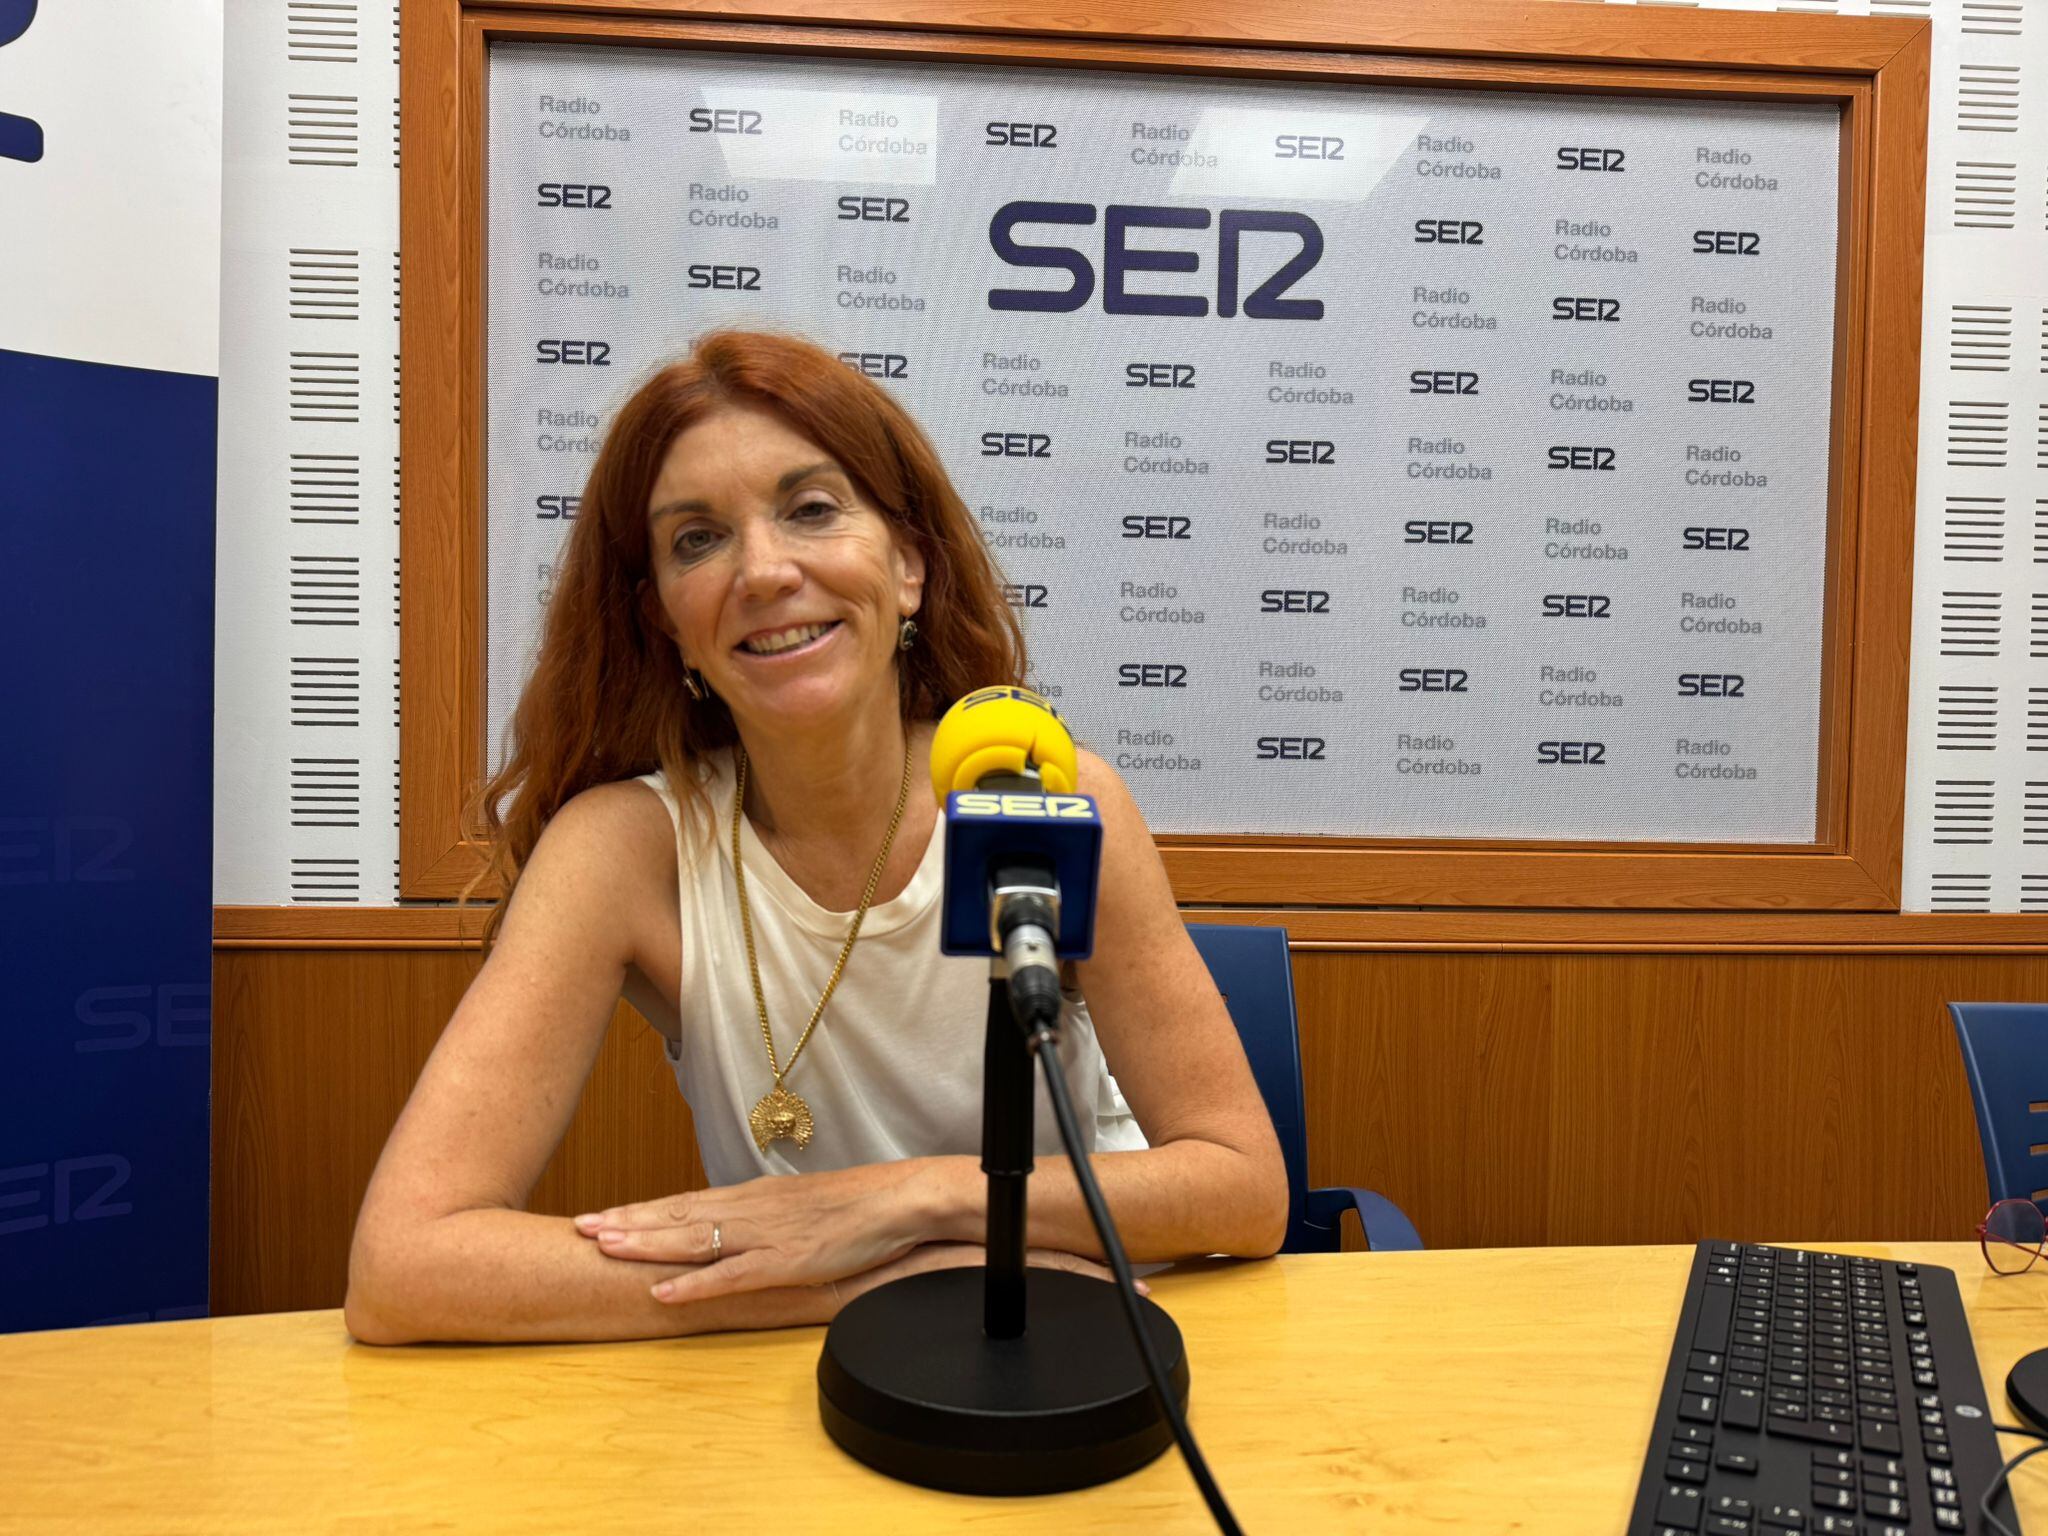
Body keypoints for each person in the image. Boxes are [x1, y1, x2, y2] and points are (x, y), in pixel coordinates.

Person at [343, 330, 1288, 1345]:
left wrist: (900, 1204)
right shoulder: (622, 849)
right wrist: (892, 1277)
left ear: (909, 565)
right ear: (665, 621)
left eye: (811, 510)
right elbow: (404, 1268)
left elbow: (1241, 1188)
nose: (761, 571)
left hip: (1092, 1328)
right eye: (696, 540)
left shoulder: (1047, 795)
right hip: (818, 1362)